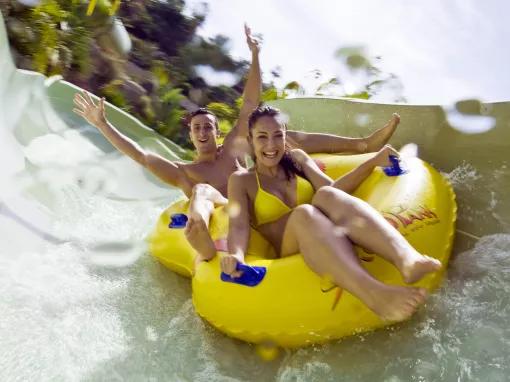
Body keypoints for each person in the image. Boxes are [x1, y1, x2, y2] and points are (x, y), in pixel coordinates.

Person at [73, 25, 401, 270]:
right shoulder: (183, 172)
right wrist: (103, 125)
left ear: (219, 133)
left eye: (209, 127)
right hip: (232, 222)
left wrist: (256, 56)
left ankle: (362, 144)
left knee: (284, 136)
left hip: (264, 209)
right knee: (203, 190)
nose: (202, 131)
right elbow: (142, 156)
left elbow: (250, 105)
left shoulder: (233, 150)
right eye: (197, 128)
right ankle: (199, 231)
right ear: (191, 136)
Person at [221, 106, 442, 322]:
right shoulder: (241, 180)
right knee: (304, 213)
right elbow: (238, 225)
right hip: (286, 248)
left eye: (278, 136)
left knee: (325, 194)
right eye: (262, 137)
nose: (271, 145)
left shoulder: (297, 159)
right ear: (250, 140)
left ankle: (407, 260)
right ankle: (376, 295)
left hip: (321, 232)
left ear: (286, 137)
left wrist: (372, 162)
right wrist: (237, 256)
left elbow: (334, 190)